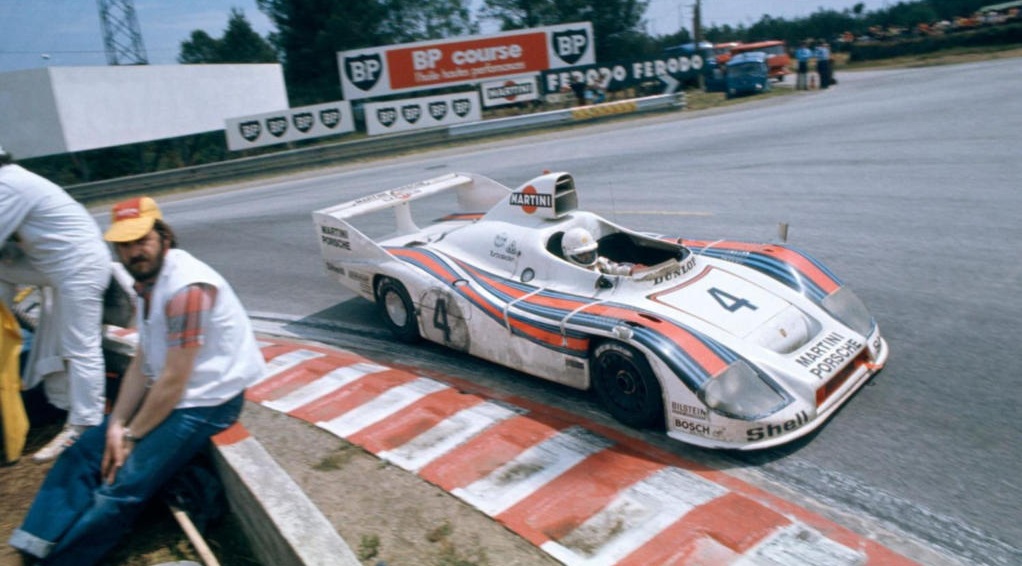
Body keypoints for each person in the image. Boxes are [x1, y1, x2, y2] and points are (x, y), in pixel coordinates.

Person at [8, 196, 266, 565]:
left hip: (207, 402)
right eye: (124, 244)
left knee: (122, 484)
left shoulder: (187, 289)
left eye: (142, 240)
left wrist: (130, 437)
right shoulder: (148, 283)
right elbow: (144, 363)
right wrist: (116, 425)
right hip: (173, 395)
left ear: (164, 236)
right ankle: (31, 545)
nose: (134, 252)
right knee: (83, 451)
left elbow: (173, 381)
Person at [0, 144, 112, 462]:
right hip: (55, 266)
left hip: (80, 268)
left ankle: (85, 425)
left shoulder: (7, 184)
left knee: (81, 347)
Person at [561, 227, 637, 276]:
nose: (588, 257)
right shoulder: (570, 274)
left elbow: (614, 268)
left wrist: (631, 271)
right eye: (582, 255)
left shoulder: (600, 263)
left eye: (590, 252)